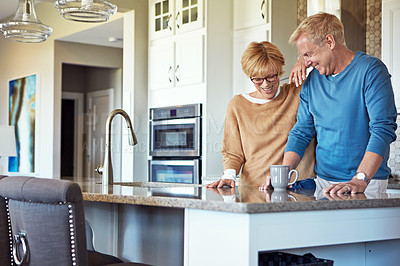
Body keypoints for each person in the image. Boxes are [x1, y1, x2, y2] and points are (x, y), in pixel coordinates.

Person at [280, 12, 397, 194]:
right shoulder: (312, 82)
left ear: (330, 41)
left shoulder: (371, 71)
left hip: (366, 183)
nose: (306, 62)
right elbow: (301, 131)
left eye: (309, 54)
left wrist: (360, 179)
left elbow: (382, 129)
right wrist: (283, 173)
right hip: (323, 183)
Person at [207, 41, 315, 188]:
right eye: (257, 79)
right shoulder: (238, 105)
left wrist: (302, 59)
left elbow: (321, 57)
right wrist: (229, 175)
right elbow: (233, 152)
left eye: (271, 76)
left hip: (295, 190)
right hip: (253, 190)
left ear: (280, 71)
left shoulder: (297, 92)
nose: (265, 84)